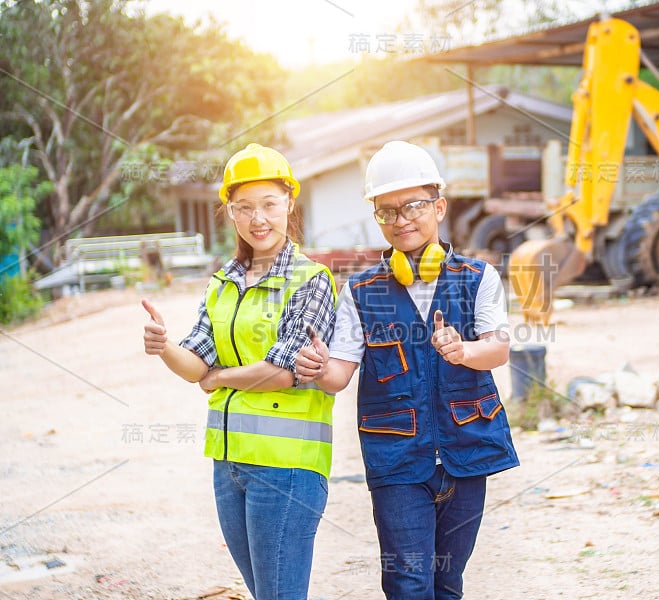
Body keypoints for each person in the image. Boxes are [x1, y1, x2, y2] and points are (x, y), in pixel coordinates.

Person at [296, 140, 519, 599]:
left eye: (413, 206)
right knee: (407, 583)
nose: (401, 220)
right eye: (387, 211)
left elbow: (498, 350)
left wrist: (462, 351)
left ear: (438, 207)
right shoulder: (360, 291)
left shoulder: (478, 277)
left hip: (466, 452)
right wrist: (316, 368)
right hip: (398, 461)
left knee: (447, 583)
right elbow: (338, 375)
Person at [142, 143, 337, 600]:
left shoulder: (311, 280)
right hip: (229, 464)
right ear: (229, 212)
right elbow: (196, 363)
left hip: (286, 467)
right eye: (244, 207)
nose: (258, 219)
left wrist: (221, 377)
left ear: (289, 202)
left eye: (269, 204)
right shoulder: (224, 281)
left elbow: (287, 371)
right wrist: (165, 346)